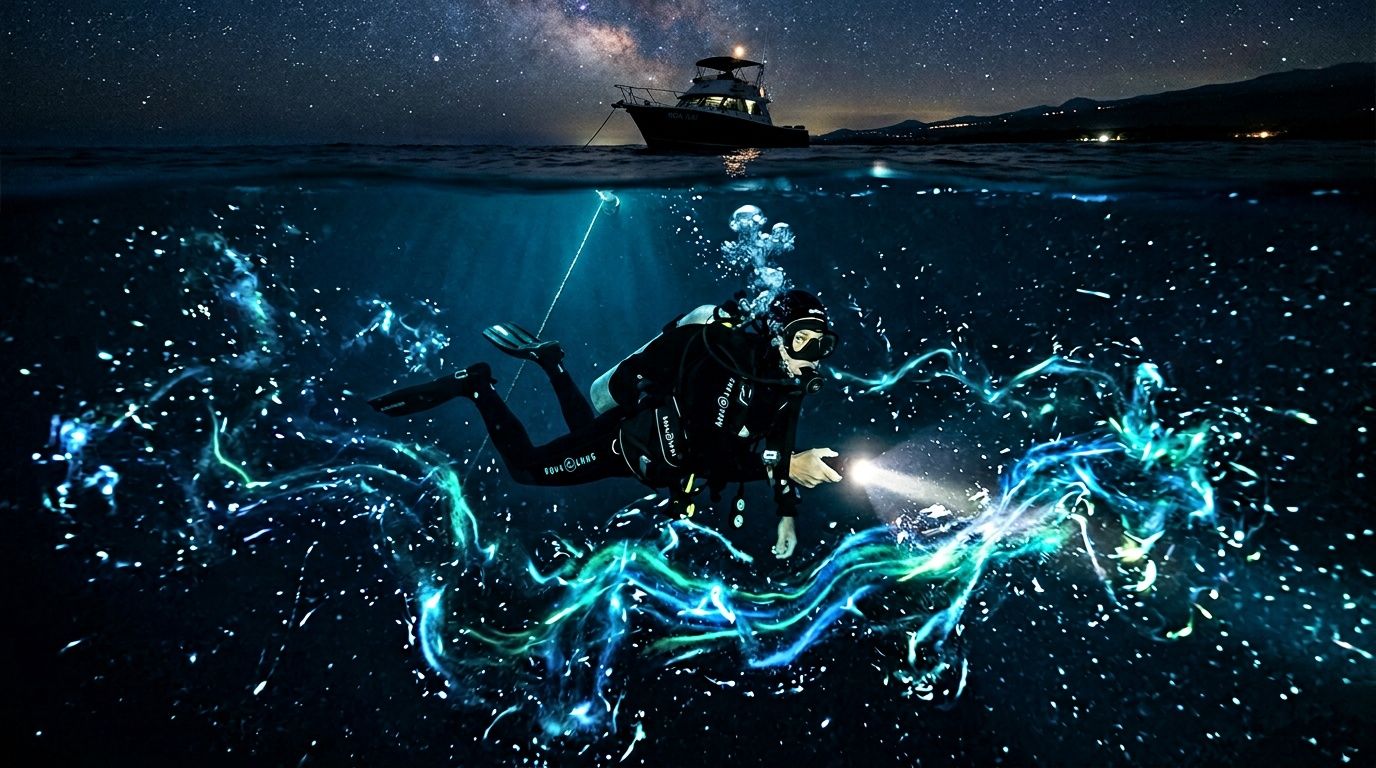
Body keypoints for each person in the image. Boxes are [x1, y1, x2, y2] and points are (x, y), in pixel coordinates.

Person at [367, 289, 843, 559]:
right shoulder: (726, 364)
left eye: (823, 345)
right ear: (776, 336)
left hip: (651, 455)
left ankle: (552, 363)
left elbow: (782, 442)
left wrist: (786, 512)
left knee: (584, 430)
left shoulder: (785, 383)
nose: (813, 357)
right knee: (527, 469)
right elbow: (709, 453)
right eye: (803, 341)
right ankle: (476, 386)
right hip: (632, 443)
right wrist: (785, 466)